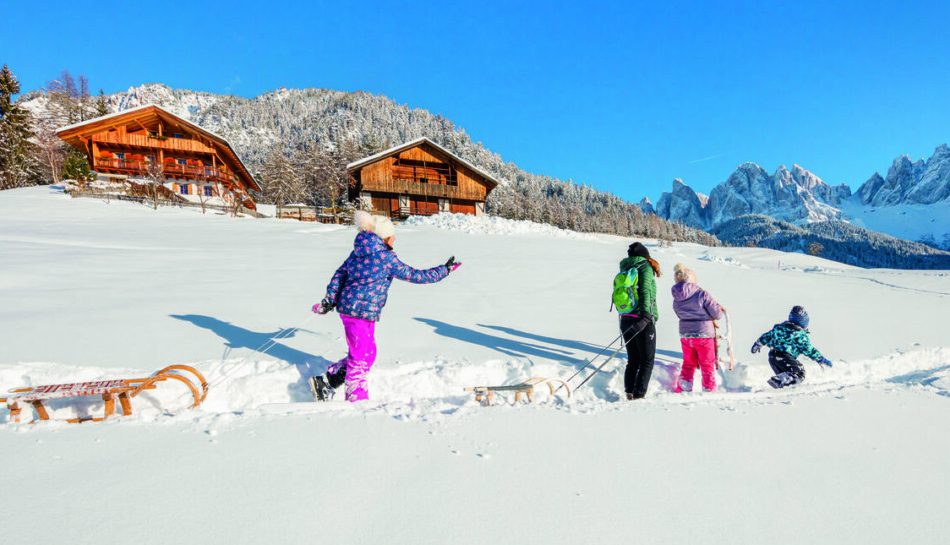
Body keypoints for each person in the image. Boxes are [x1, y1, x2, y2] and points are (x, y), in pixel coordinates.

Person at [309, 211, 460, 402]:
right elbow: (416, 275)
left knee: (368, 354)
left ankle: (327, 382)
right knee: (361, 358)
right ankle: (357, 401)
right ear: (382, 237)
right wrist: (444, 270)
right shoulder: (385, 258)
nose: (394, 238)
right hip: (359, 314)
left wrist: (330, 298)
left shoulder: (357, 252)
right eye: (391, 235)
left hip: (359, 312)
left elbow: (340, 275)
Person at [616, 242, 661, 400]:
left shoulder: (626, 267)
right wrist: (646, 315)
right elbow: (645, 290)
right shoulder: (645, 267)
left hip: (626, 318)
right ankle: (639, 396)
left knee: (633, 359)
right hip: (642, 319)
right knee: (647, 361)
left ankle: (629, 392)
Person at [670, 263, 723, 393]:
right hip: (704, 334)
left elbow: (678, 314)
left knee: (688, 363)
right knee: (707, 364)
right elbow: (717, 314)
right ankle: (709, 390)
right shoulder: (701, 293)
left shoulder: (676, 298)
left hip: (686, 334)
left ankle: (683, 389)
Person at [751, 306, 832, 388]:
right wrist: (821, 359)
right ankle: (776, 381)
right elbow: (809, 350)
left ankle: (779, 387)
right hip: (785, 357)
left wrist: (758, 344)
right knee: (799, 374)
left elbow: (766, 336)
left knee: (786, 377)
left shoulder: (779, 329)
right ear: (803, 323)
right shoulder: (799, 335)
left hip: (772, 357)